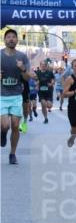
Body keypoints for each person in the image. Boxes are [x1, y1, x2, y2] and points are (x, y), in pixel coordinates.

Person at [1, 28, 35, 164]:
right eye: (8, 37)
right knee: (5, 126)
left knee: (15, 126)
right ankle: (2, 133)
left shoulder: (22, 56)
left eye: (13, 37)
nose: (11, 39)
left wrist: (22, 69)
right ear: (4, 40)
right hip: (1, 96)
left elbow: (27, 78)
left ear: (17, 40)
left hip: (16, 95)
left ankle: (12, 154)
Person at [36, 58, 54, 124]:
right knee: (43, 104)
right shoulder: (37, 72)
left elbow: (53, 80)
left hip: (49, 91)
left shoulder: (49, 72)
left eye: (44, 65)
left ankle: (49, 105)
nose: (43, 66)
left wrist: (51, 83)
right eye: (42, 65)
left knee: (49, 106)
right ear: (40, 65)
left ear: (46, 66)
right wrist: (37, 85)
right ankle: (46, 118)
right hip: (41, 92)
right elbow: (36, 80)